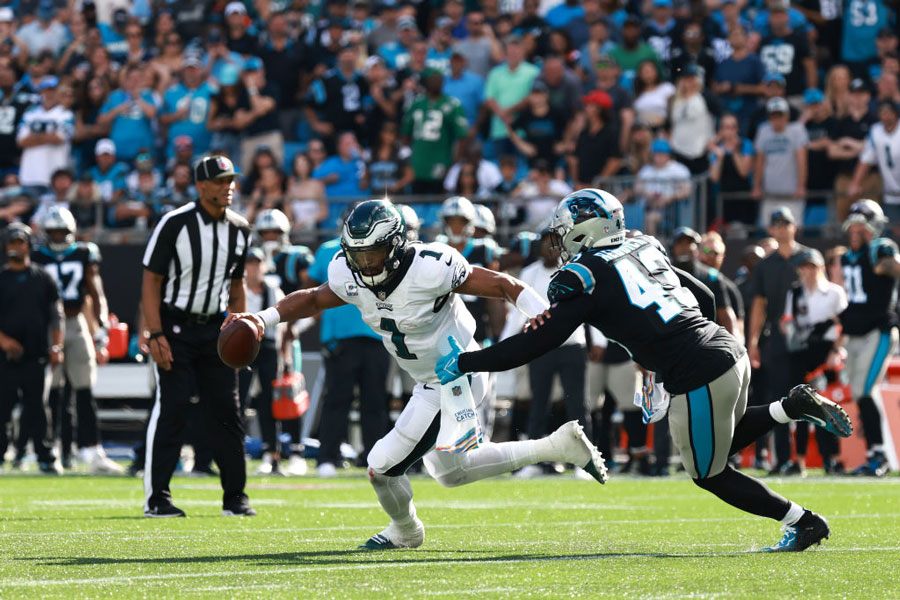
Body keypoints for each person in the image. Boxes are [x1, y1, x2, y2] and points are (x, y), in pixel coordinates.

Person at [436, 188, 853, 552]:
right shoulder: (643, 247)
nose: (560, 241)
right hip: (727, 350)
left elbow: (536, 343)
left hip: (697, 370)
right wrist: (665, 354)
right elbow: (705, 294)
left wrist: (467, 362)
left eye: (564, 231)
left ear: (586, 230)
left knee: (710, 474)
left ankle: (802, 522)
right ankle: (790, 407)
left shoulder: (584, 275)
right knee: (720, 442)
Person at [227, 198, 608, 550]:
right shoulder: (349, 272)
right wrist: (262, 319)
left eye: (373, 254)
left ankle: (406, 531)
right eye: (356, 255)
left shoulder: (431, 266)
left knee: (382, 467)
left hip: (459, 374)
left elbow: (505, 285)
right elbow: (312, 298)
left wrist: (541, 314)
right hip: (428, 383)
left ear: (394, 246)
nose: (365, 264)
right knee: (448, 472)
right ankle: (557, 447)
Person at [140, 155, 254, 518]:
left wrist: (242, 327)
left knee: (227, 410)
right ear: (201, 186)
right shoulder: (175, 223)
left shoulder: (240, 228)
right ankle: (157, 496)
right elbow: (151, 281)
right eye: (220, 181)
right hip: (174, 326)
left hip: (215, 329)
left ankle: (235, 497)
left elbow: (237, 286)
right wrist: (155, 332)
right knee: (172, 406)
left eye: (231, 180)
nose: (228, 187)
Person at [31, 206, 122, 474]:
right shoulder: (37, 256)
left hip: (76, 321)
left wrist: (102, 326)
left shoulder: (84, 253)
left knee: (84, 389)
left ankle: (91, 449)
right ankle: (54, 449)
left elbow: (96, 291)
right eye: (53, 232)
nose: (58, 237)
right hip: (49, 326)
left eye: (62, 232)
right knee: (53, 392)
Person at [512, 229, 592, 479]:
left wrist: (599, 340)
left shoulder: (576, 270)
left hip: (573, 345)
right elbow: (517, 312)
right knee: (538, 405)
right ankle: (534, 462)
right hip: (541, 346)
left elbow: (593, 307)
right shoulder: (529, 273)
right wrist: (506, 345)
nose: (551, 249)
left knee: (577, 405)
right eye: (546, 244)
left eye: (555, 244)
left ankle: (586, 462)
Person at [747, 206, 811, 474]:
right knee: (780, 398)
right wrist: (752, 342)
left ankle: (802, 459)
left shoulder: (808, 258)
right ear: (771, 229)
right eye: (777, 224)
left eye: (786, 223)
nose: (782, 228)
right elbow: (759, 305)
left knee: (809, 397)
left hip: (807, 334)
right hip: (777, 337)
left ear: (794, 226)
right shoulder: (765, 266)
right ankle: (782, 458)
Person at [838, 200, 899, 476]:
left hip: (878, 331)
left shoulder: (880, 248)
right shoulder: (846, 256)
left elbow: (894, 266)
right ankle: (876, 453)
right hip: (854, 334)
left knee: (864, 391)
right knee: (861, 394)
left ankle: (880, 455)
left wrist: (883, 265)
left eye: (861, 225)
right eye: (853, 225)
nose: (856, 230)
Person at [0, 223, 64, 474]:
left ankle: (44, 455)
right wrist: (4, 341)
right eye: (12, 242)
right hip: (5, 356)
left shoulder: (43, 277)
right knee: (2, 407)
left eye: (21, 242)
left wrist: (57, 345)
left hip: (36, 353)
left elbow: (56, 315)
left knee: (37, 407)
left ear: (28, 245)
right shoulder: (1, 279)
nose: (16, 246)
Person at [781, 249, 847, 476]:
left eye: (812, 267)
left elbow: (843, 325)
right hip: (801, 353)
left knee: (828, 408)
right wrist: (792, 337)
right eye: (804, 268)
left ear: (820, 268)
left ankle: (833, 459)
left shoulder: (834, 293)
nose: (808, 272)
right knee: (799, 406)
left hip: (825, 353)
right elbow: (788, 322)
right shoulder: (796, 292)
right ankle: (798, 460)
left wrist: (835, 351)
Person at [239, 247, 292, 476]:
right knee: (238, 400)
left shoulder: (273, 290)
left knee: (269, 404)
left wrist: (285, 357)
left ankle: (272, 454)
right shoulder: (236, 289)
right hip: (242, 350)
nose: (254, 267)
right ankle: (235, 451)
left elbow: (284, 324)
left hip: (268, 349)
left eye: (257, 263)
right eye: (250, 263)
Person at [402, 68, 469, 195]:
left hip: (442, 162)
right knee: (416, 204)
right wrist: (407, 162)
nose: (436, 83)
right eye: (433, 80)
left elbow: (462, 137)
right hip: (418, 164)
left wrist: (453, 163)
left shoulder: (452, 104)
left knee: (438, 203)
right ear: (426, 82)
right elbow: (405, 135)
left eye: (439, 80)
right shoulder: (416, 103)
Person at [752, 97, 809, 225]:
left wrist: (801, 186)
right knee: (769, 230)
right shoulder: (763, 131)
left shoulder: (797, 131)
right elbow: (760, 160)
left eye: (780, 115)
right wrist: (757, 186)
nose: (777, 120)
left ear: (787, 116)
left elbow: (801, 160)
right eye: (774, 116)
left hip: (792, 194)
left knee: (794, 228)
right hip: (770, 193)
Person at [670, 227, 737, 335]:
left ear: (696, 248)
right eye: (680, 243)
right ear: (672, 248)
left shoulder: (711, 276)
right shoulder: (662, 274)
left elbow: (726, 317)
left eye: (689, 243)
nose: (685, 247)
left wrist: (733, 345)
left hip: (705, 339)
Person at [848, 101, 900, 230]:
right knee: (893, 228)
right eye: (883, 113)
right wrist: (855, 183)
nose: (886, 116)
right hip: (891, 192)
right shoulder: (876, 131)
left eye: (889, 113)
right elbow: (866, 159)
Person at [17, 76, 74, 189]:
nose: (49, 94)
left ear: (58, 92)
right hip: (30, 175)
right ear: (41, 92)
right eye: (46, 90)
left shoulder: (66, 114)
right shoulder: (30, 114)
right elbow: (21, 141)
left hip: (56, 177)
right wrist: (48, 136)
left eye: (52, 90)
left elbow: (59, 138)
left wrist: (34, 137)